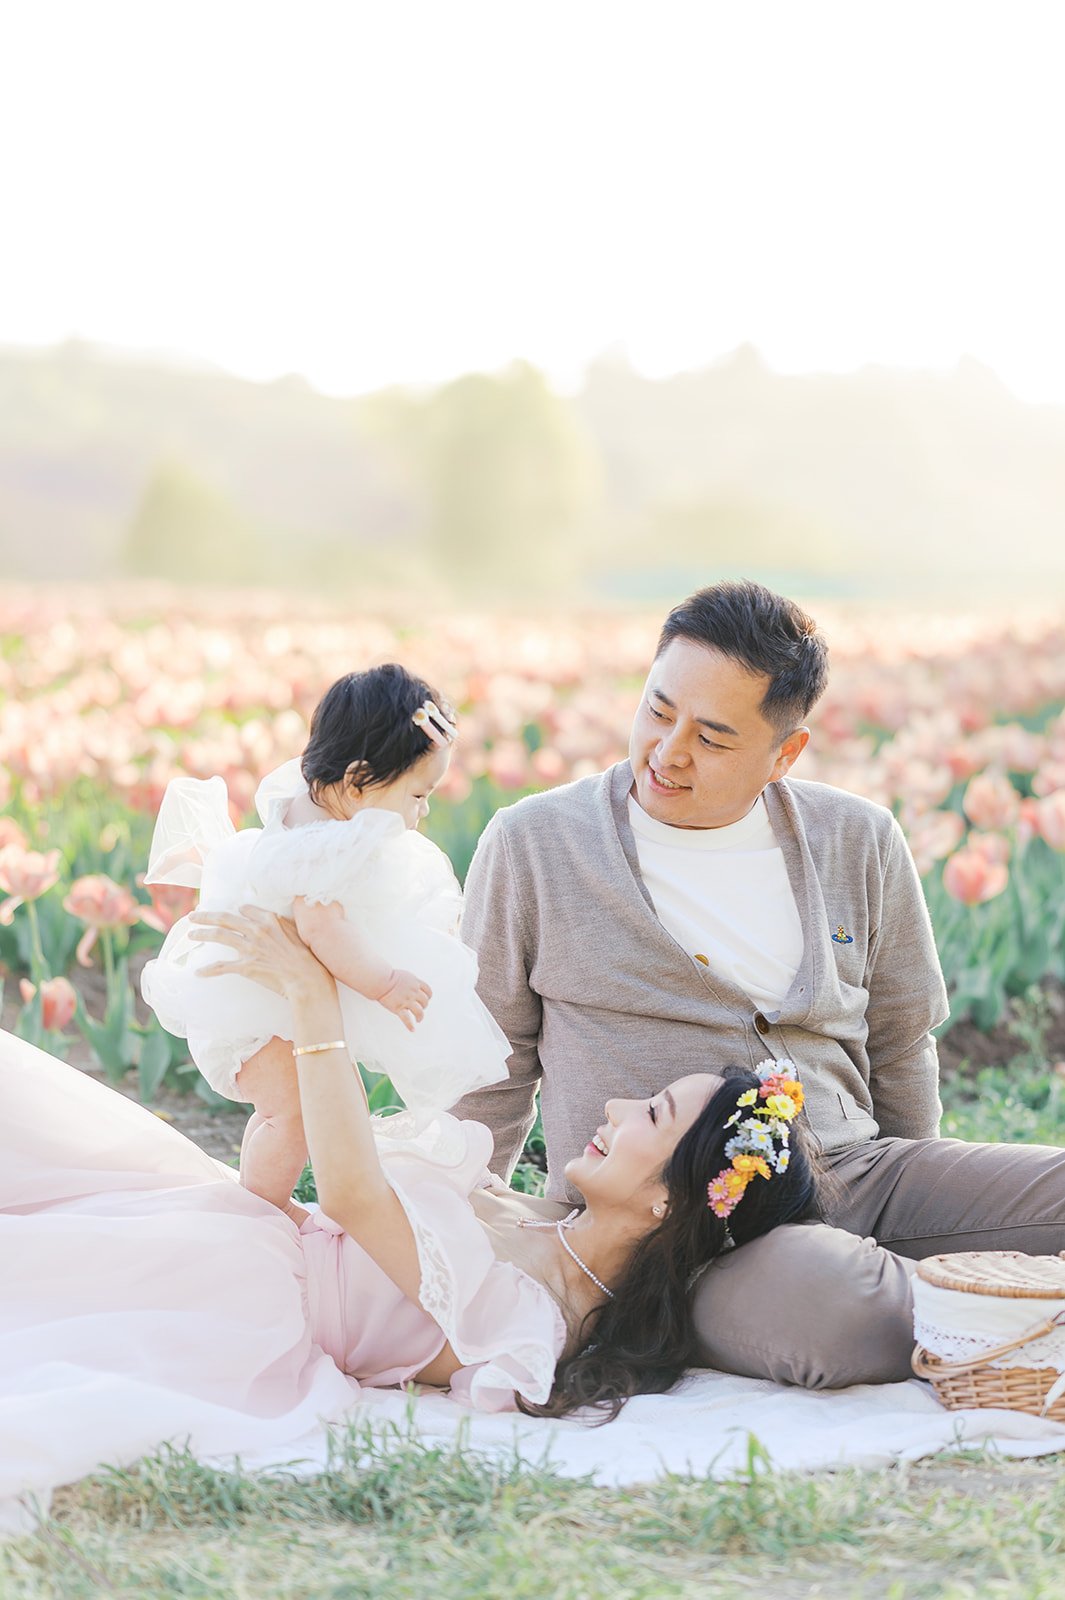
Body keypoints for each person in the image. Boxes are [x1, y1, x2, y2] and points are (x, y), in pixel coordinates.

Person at [0, 907, 819, 1521]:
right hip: (244, 1232)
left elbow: (353, 1195)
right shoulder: (541, 1221)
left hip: (233, 1299)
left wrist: (313, 996)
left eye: (650, 1114)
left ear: (667, 1199)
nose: (615, 1106)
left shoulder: (530, 1326)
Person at [453, 579, 1065, 1388]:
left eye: (712, 737)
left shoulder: (856, 838)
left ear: (784, 754)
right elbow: (485, 1064)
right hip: (670, 1229)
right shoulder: (536, 844)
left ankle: (951, 1303)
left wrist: (921, 1204)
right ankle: (972, 1311)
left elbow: (899, 1041)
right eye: (657, 711)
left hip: (856, 1168)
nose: (668, 752)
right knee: (832, 1308)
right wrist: (457, 1227)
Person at [140, 663, 510, 1210]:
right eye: (416, 795)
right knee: (293, 1115)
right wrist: (386, 984)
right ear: (358, 782)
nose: (425, 809)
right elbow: (322, 928)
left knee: (302, 1106)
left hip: (272, 1002)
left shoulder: (319, 800)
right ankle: (261, 1210)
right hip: (255, 1005)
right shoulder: (321, 850)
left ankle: (263, 1195)